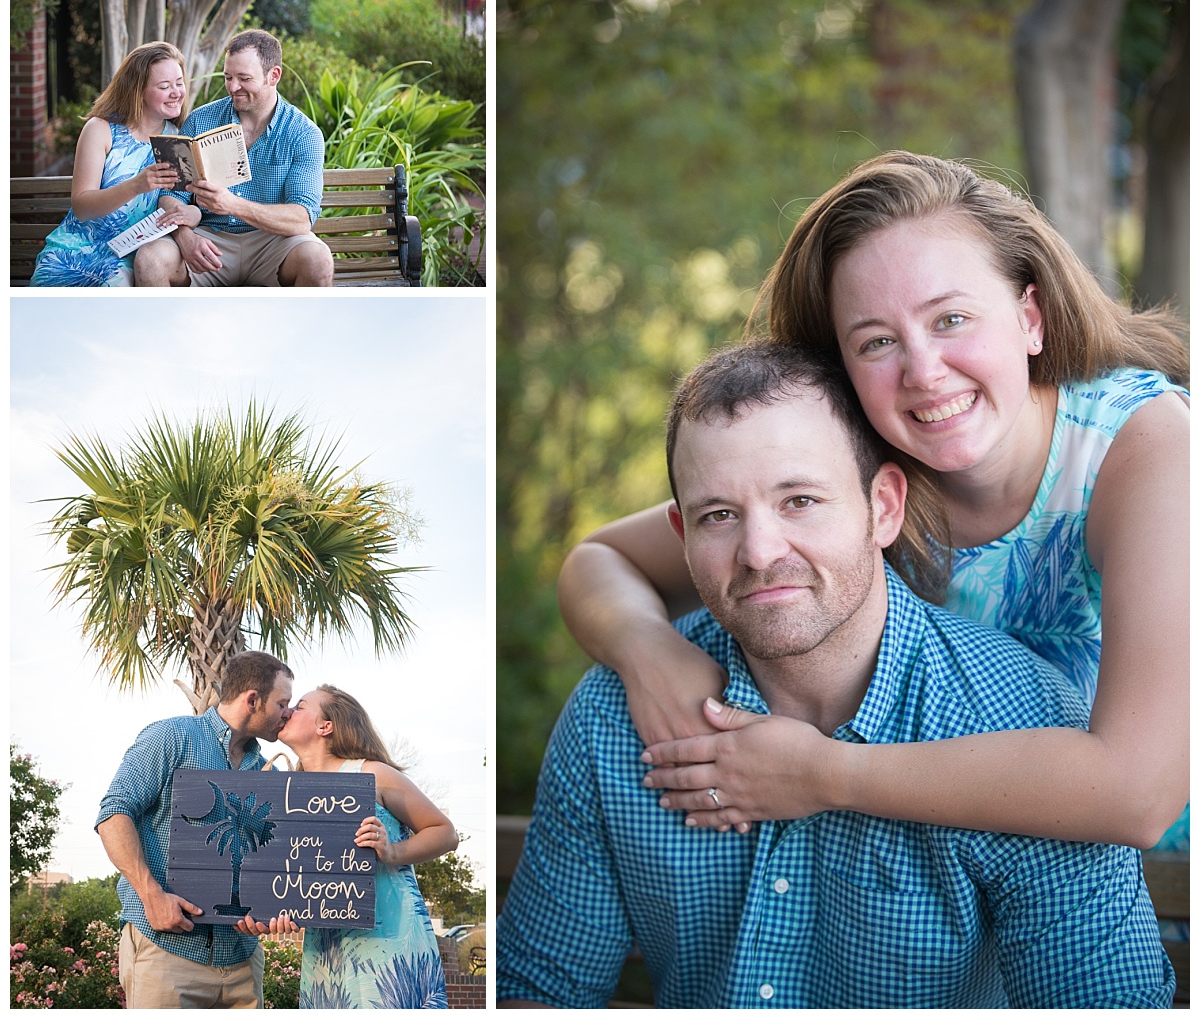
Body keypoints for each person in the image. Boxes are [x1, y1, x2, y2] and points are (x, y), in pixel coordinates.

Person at [499, 341, 1174, 1008]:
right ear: (681, 535)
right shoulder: (617, 722)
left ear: (882, 507)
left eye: (800, 501)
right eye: (719, 516)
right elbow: (538, 990)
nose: (760, 552)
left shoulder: (1024, 724)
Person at [557, 151, 1188, 852]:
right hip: (967, 888)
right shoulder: (869, 471)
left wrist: (826, 774)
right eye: (877, 341)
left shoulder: (1150, 450)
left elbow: (1141, 793)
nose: (923, 372)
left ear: (1030, 317)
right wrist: (650, 655)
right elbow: (600, 558)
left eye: (950, 320)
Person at [95, 650, 294, 1009]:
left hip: (243, 963)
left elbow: (271, 864)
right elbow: (113, 814)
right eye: (283, 703)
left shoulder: (270, 774)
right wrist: (152, 896)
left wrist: (266, 914)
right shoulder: (171, 736)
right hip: (167, 953)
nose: (288, 713)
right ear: (252, 699)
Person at [246, 685, 458, 1009]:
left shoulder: (371, 772)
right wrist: (281, 910)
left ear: (325, 726)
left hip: (389, 942)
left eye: (300, 706)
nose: (289, 711)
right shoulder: (290, 793)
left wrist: (393, 852)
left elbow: (445, 832)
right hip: (327, 952)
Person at [134, 29, 334, 287]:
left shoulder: (303, 134)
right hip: (208, 239)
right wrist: (185, 237)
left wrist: (233, 205)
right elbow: (173, 195)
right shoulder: (200, 120)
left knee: (319, 259)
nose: (233, 87)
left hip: (273, 243)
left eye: (244, 78)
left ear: (273, 76)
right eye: (228, 77)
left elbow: (301, 218)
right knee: (150, 259)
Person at [29, 41, 197, 287]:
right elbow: (82, 207)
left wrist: (192, 213)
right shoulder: (101, 130)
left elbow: (181, 202)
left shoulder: (177, 139)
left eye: (179, 83)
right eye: (164, 86)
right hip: (75, 249)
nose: (176, 92)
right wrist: (136, 186)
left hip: (130, 253)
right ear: (138, 90)